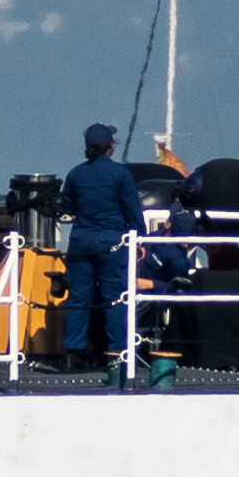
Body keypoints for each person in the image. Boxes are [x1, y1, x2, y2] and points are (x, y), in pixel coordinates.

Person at [58, 122, 146, 371]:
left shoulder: (75, 174)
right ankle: (117, 353)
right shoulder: (120, 174)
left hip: (81, 242)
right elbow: (132, 211)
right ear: (110, 146)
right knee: (115, 299)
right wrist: (141, 239)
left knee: (78, 298)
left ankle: (72, 353)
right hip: (111, 242)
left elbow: (67, 209)